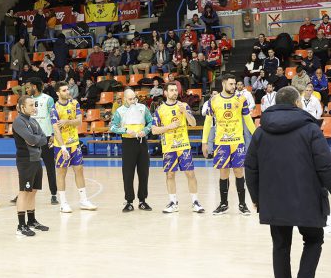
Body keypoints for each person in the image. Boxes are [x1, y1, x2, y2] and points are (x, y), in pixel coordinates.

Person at [245, 86, 331, 278]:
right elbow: (324, 164)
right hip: (307, 196)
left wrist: (255, 197)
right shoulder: (310, 128)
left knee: (280, 246)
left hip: (273, 198)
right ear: (298, 104)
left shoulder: (261, 130)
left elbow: (250, 167)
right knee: (313, 239)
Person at [202, 74, 255, 216]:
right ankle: (223, 204)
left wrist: (256, 135)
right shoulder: (214, 100)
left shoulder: (241, 99)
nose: (234, 87)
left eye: (234, 84)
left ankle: (242, 204)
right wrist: (204, 142)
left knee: (239, 172)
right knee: (223, 173)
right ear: (224, 83)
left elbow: (248, 119)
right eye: (231, 84)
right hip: (221, 143)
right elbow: (208, 122)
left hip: (237, 142)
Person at [152, 82, 204, 213]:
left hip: (184, 145)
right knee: (170, 175)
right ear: (165, 93)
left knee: (190, 173)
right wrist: (168, 127)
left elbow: (193, 123)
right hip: (168, 147)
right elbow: (153, 130)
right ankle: (173, 202)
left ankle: (195, 202)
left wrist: (185, 113)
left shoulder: (184, 105)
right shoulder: (160, 110)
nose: (174, 92)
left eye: (176, 90)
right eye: (171, 90)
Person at [9, 79, 58, 205]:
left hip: (45, 136)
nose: (27, 89)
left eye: (28, 87)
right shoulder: (27, 100)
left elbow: (53, 117)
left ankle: (53, 194)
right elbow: (16, 90)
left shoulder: (48, 99)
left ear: (35, 87)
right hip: (30, 136)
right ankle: (22, 193)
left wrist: (53, 134)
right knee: (28, 169)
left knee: (50, 167)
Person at [50, 82, 98, 212]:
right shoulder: (54, 109)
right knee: (61, 173)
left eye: (67, 89)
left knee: (79, 170)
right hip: (61, 146)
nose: (67, 92)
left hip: (75, 143)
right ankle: (63, 203)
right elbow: (56, 130)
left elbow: (79, 121)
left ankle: (83, 201)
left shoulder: (74, 103)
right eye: (64, 90)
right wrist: (63, 147)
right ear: (58, 93)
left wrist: (67, 122)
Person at [11, 95, 51, 237]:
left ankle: (31, 221)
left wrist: (37, 140)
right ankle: (21, 226)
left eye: (35, 105)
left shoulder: (33, 121)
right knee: (24, 192)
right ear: (22, 107)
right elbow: (31, 139)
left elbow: (42, 138)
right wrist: (37, 139)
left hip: (36, 159)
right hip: (25, 160)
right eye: (31, 105)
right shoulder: (18, 122)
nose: (34, 108)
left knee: (33, 191)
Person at [109, 88, 154, 212]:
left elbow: (151, 122)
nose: (133, 101)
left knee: (144, 172)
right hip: (128, 143)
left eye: (134, 98)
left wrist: (145, 131)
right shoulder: (120, 111)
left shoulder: (143, 108)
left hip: (142, 142)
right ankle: (129, 201)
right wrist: (125, 130)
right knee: (128, 174)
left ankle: (142, 200)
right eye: (130, 99)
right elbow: (112, 127)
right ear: (124, 99)